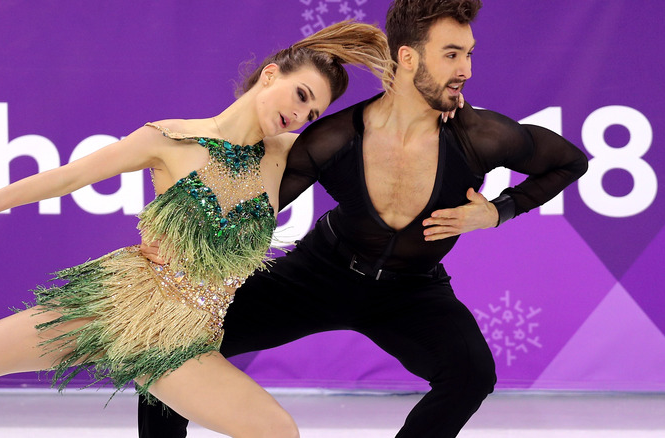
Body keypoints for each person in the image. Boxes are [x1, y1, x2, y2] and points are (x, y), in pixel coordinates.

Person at [0, 21, 392, 438]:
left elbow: (377, 141)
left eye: (311, 112)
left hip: (182, 335)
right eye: (300, 95)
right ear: (269, 75)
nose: (299, 115)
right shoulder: (170, 139)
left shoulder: (288, 157)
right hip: (121, 301)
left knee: (276, 432)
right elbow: (67, 177)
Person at [137, 0, 589, 437]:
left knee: (471, 375)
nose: (466, 70)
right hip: (318, 275)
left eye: (468, 54)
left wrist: (498, 212)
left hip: (413, 290)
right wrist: (177, 239)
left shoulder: (483, 137)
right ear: (408, 58)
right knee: (173, 346)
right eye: (451, 55)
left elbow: (570, 162)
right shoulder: (333, 138)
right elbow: (253, 211)